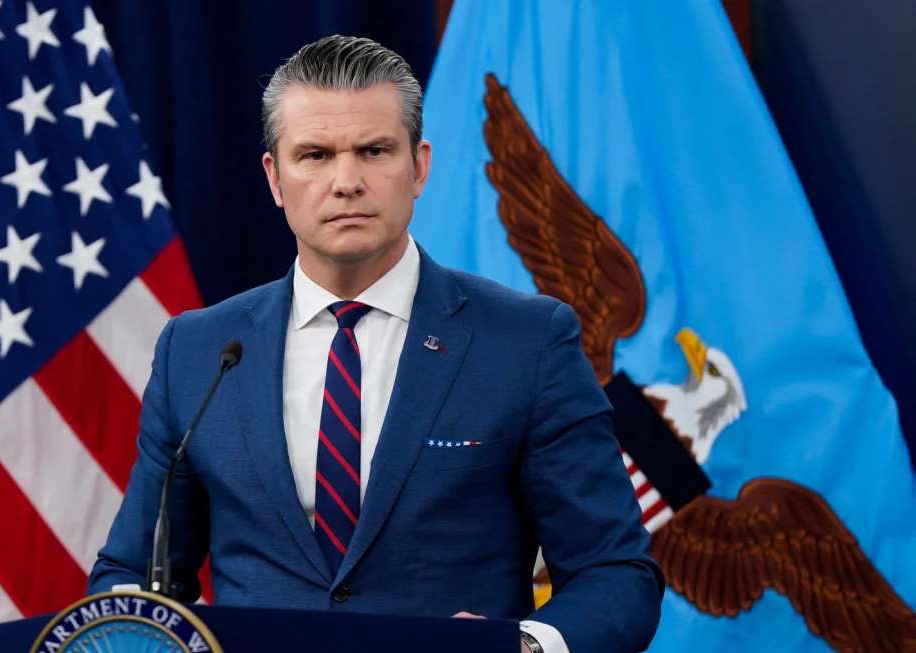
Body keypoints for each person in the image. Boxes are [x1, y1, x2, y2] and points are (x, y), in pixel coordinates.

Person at [89, 35, 664, 653]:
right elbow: (131, 577)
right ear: (274, 177)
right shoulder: (198, 351)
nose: (346, 181)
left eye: (373, 151)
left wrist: (522, 647)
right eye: (314, 155)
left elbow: (616, 573)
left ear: (418, 167)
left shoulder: (528, 342)